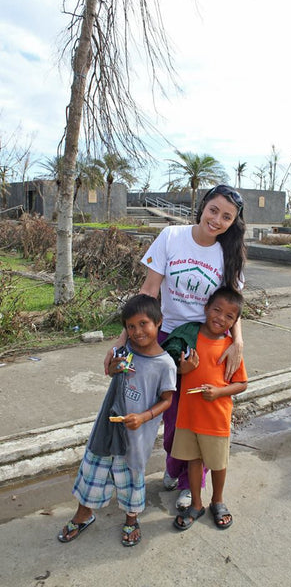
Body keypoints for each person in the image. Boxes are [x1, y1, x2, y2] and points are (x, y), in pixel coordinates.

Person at [103, 184, 246, 510]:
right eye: (214, 210)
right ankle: (173, 465)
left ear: (232, 222)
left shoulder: (229, 253)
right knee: (168, 411)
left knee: (195, 414)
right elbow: (149, 290)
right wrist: (123, 338)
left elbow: (232, 305)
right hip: (165, 338)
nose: (217, 220)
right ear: (203, 206)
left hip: (204, 342)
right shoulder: (170, 237)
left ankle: (189, 483)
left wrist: (237, 342)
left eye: (227, 217)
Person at [58, 294, 176, 547]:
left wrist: (144, 417)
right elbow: (112, 373)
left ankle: (131, 518)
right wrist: (114, 367)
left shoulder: (165, 364)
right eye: (130, 326)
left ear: (159, 322)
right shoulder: (125, 350)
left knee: (131, 477)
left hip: (136, 435)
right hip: (107, 428)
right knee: (92, 469)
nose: (137, 331)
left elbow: (167, 400)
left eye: (143, 324)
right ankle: (84, 514)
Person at [166, 287, 248, 531]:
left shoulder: (231, 347)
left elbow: (242, 384)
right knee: (193, 461)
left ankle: (218, 501)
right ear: (206, 308)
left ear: (234, 322)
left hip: (216, 418)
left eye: (229, 316)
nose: (221, 318)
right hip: (189, 417)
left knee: (218, 463)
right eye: (217, 310)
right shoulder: (189, 339)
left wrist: (219, 392)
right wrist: (183, 370)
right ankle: (197, 504)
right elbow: (173, 371)